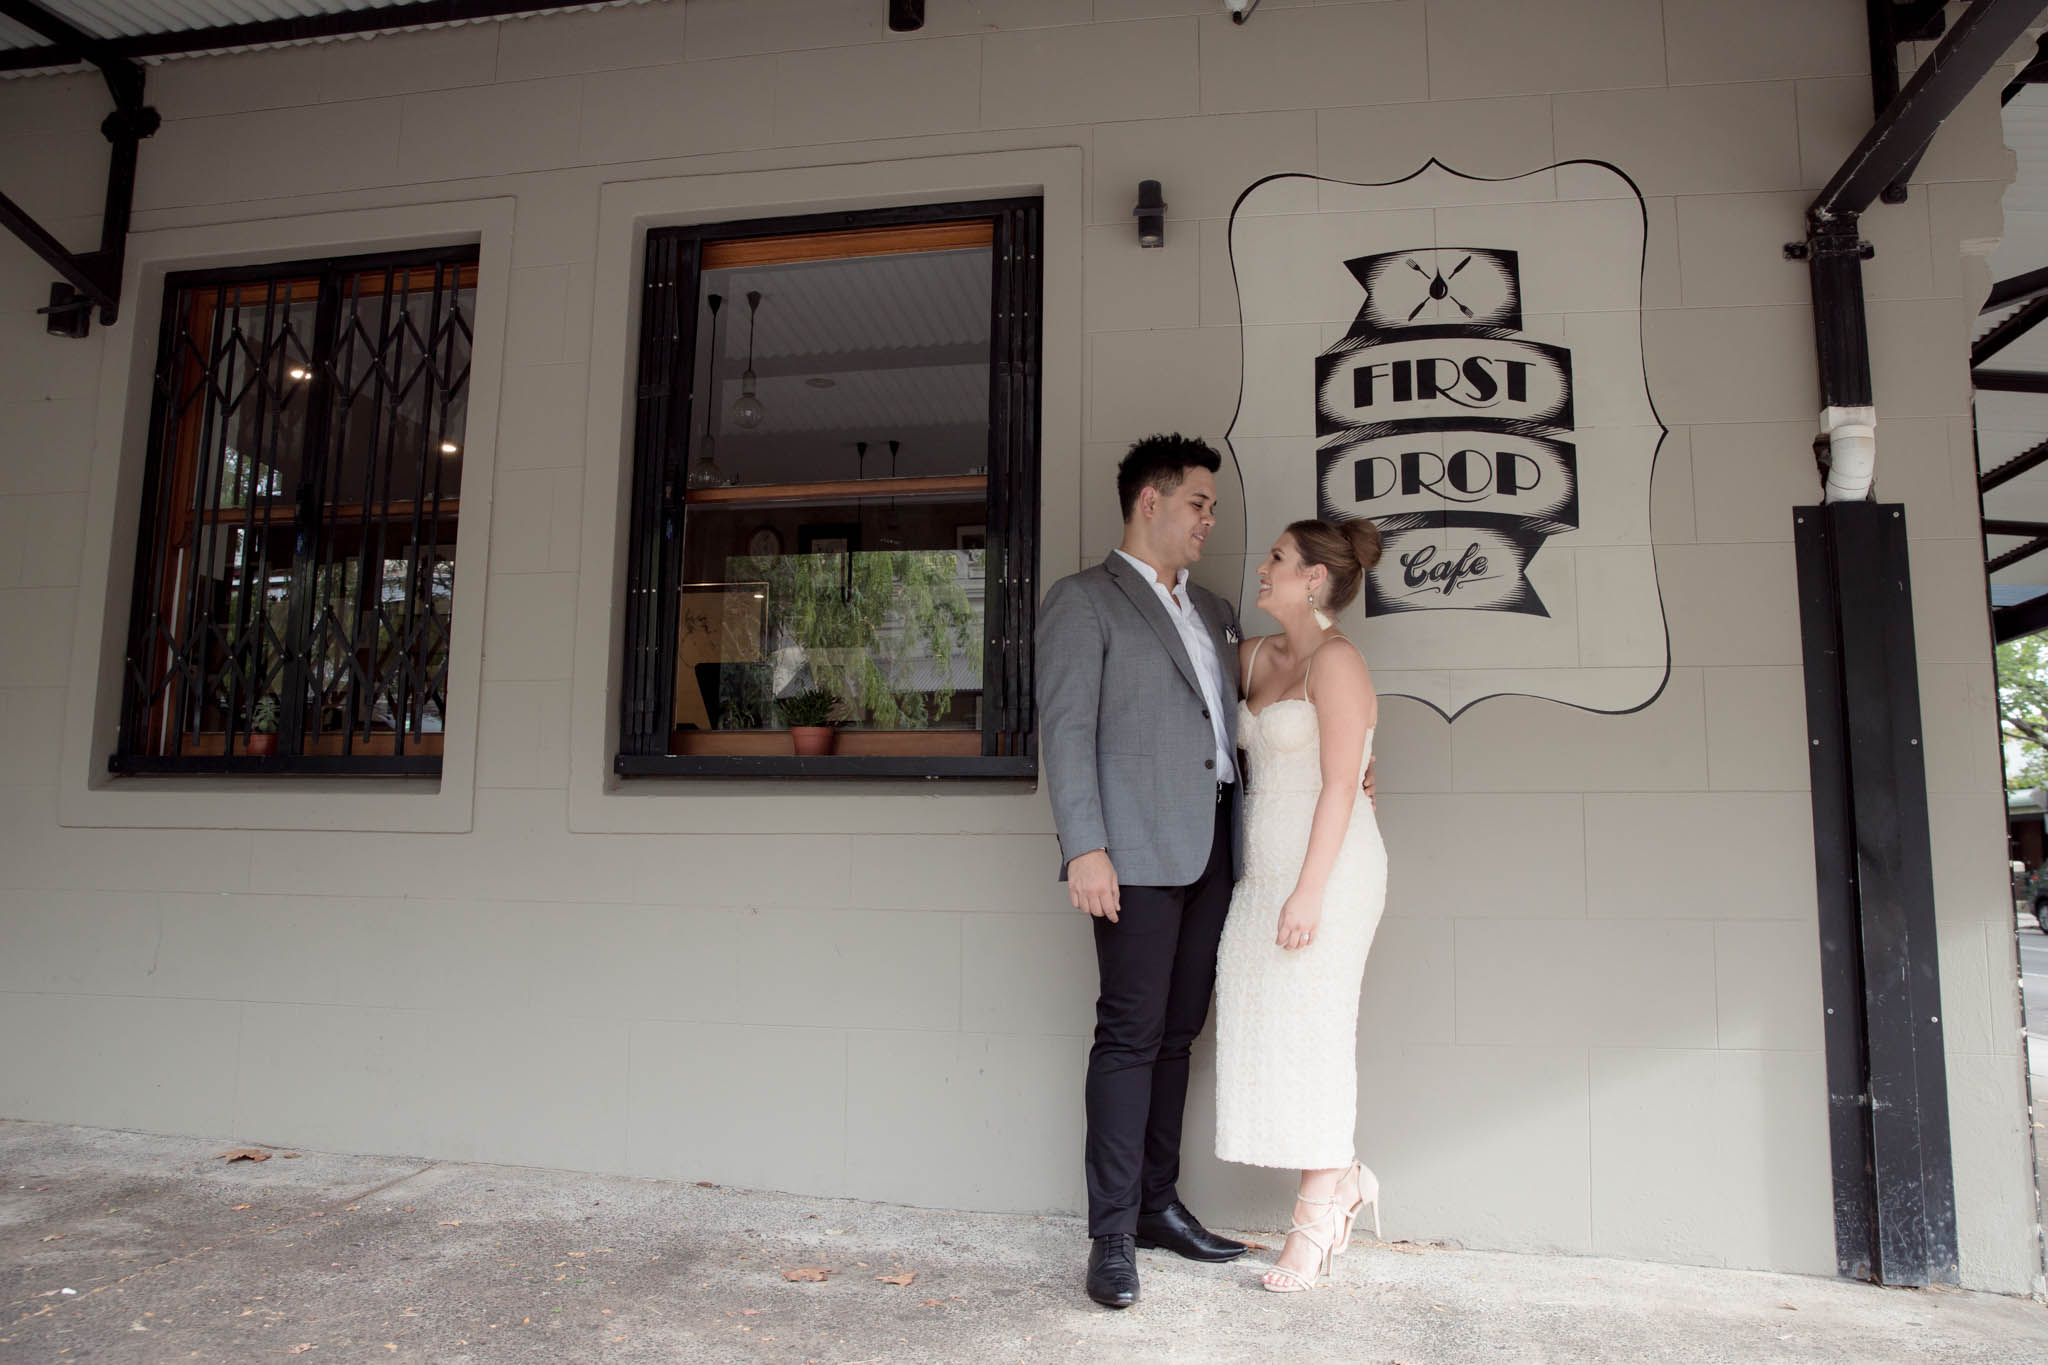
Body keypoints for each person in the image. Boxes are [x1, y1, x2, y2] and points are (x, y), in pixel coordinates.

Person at [1036, 436, 1376, 1310]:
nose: (1210, 520)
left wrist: (1354, 763)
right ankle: (1112, 1234)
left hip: (1222, 855)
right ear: (1149, 501)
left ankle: (1157, 1204)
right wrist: (1084, 845)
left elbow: (1276, 710)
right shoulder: (1083, 601)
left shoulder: (1220, 613)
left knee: (1179, 1034)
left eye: (1213, 507)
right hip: (1132, 855)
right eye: (1198, 503)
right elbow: (1066, 731)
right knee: (1129, 1035)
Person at [1213, 518, 1388, 1293]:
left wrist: (1310, 890)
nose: (1263, 566)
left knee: (1317, 1027)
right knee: (1268, 1021)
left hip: (1330, 873)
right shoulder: (1254, 656)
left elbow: (1343, 782)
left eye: (1278, 558)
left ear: (1313, 578)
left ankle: (1319, 1209)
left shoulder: (1338, 661)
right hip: (1263, 872)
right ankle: (1344, 1174)